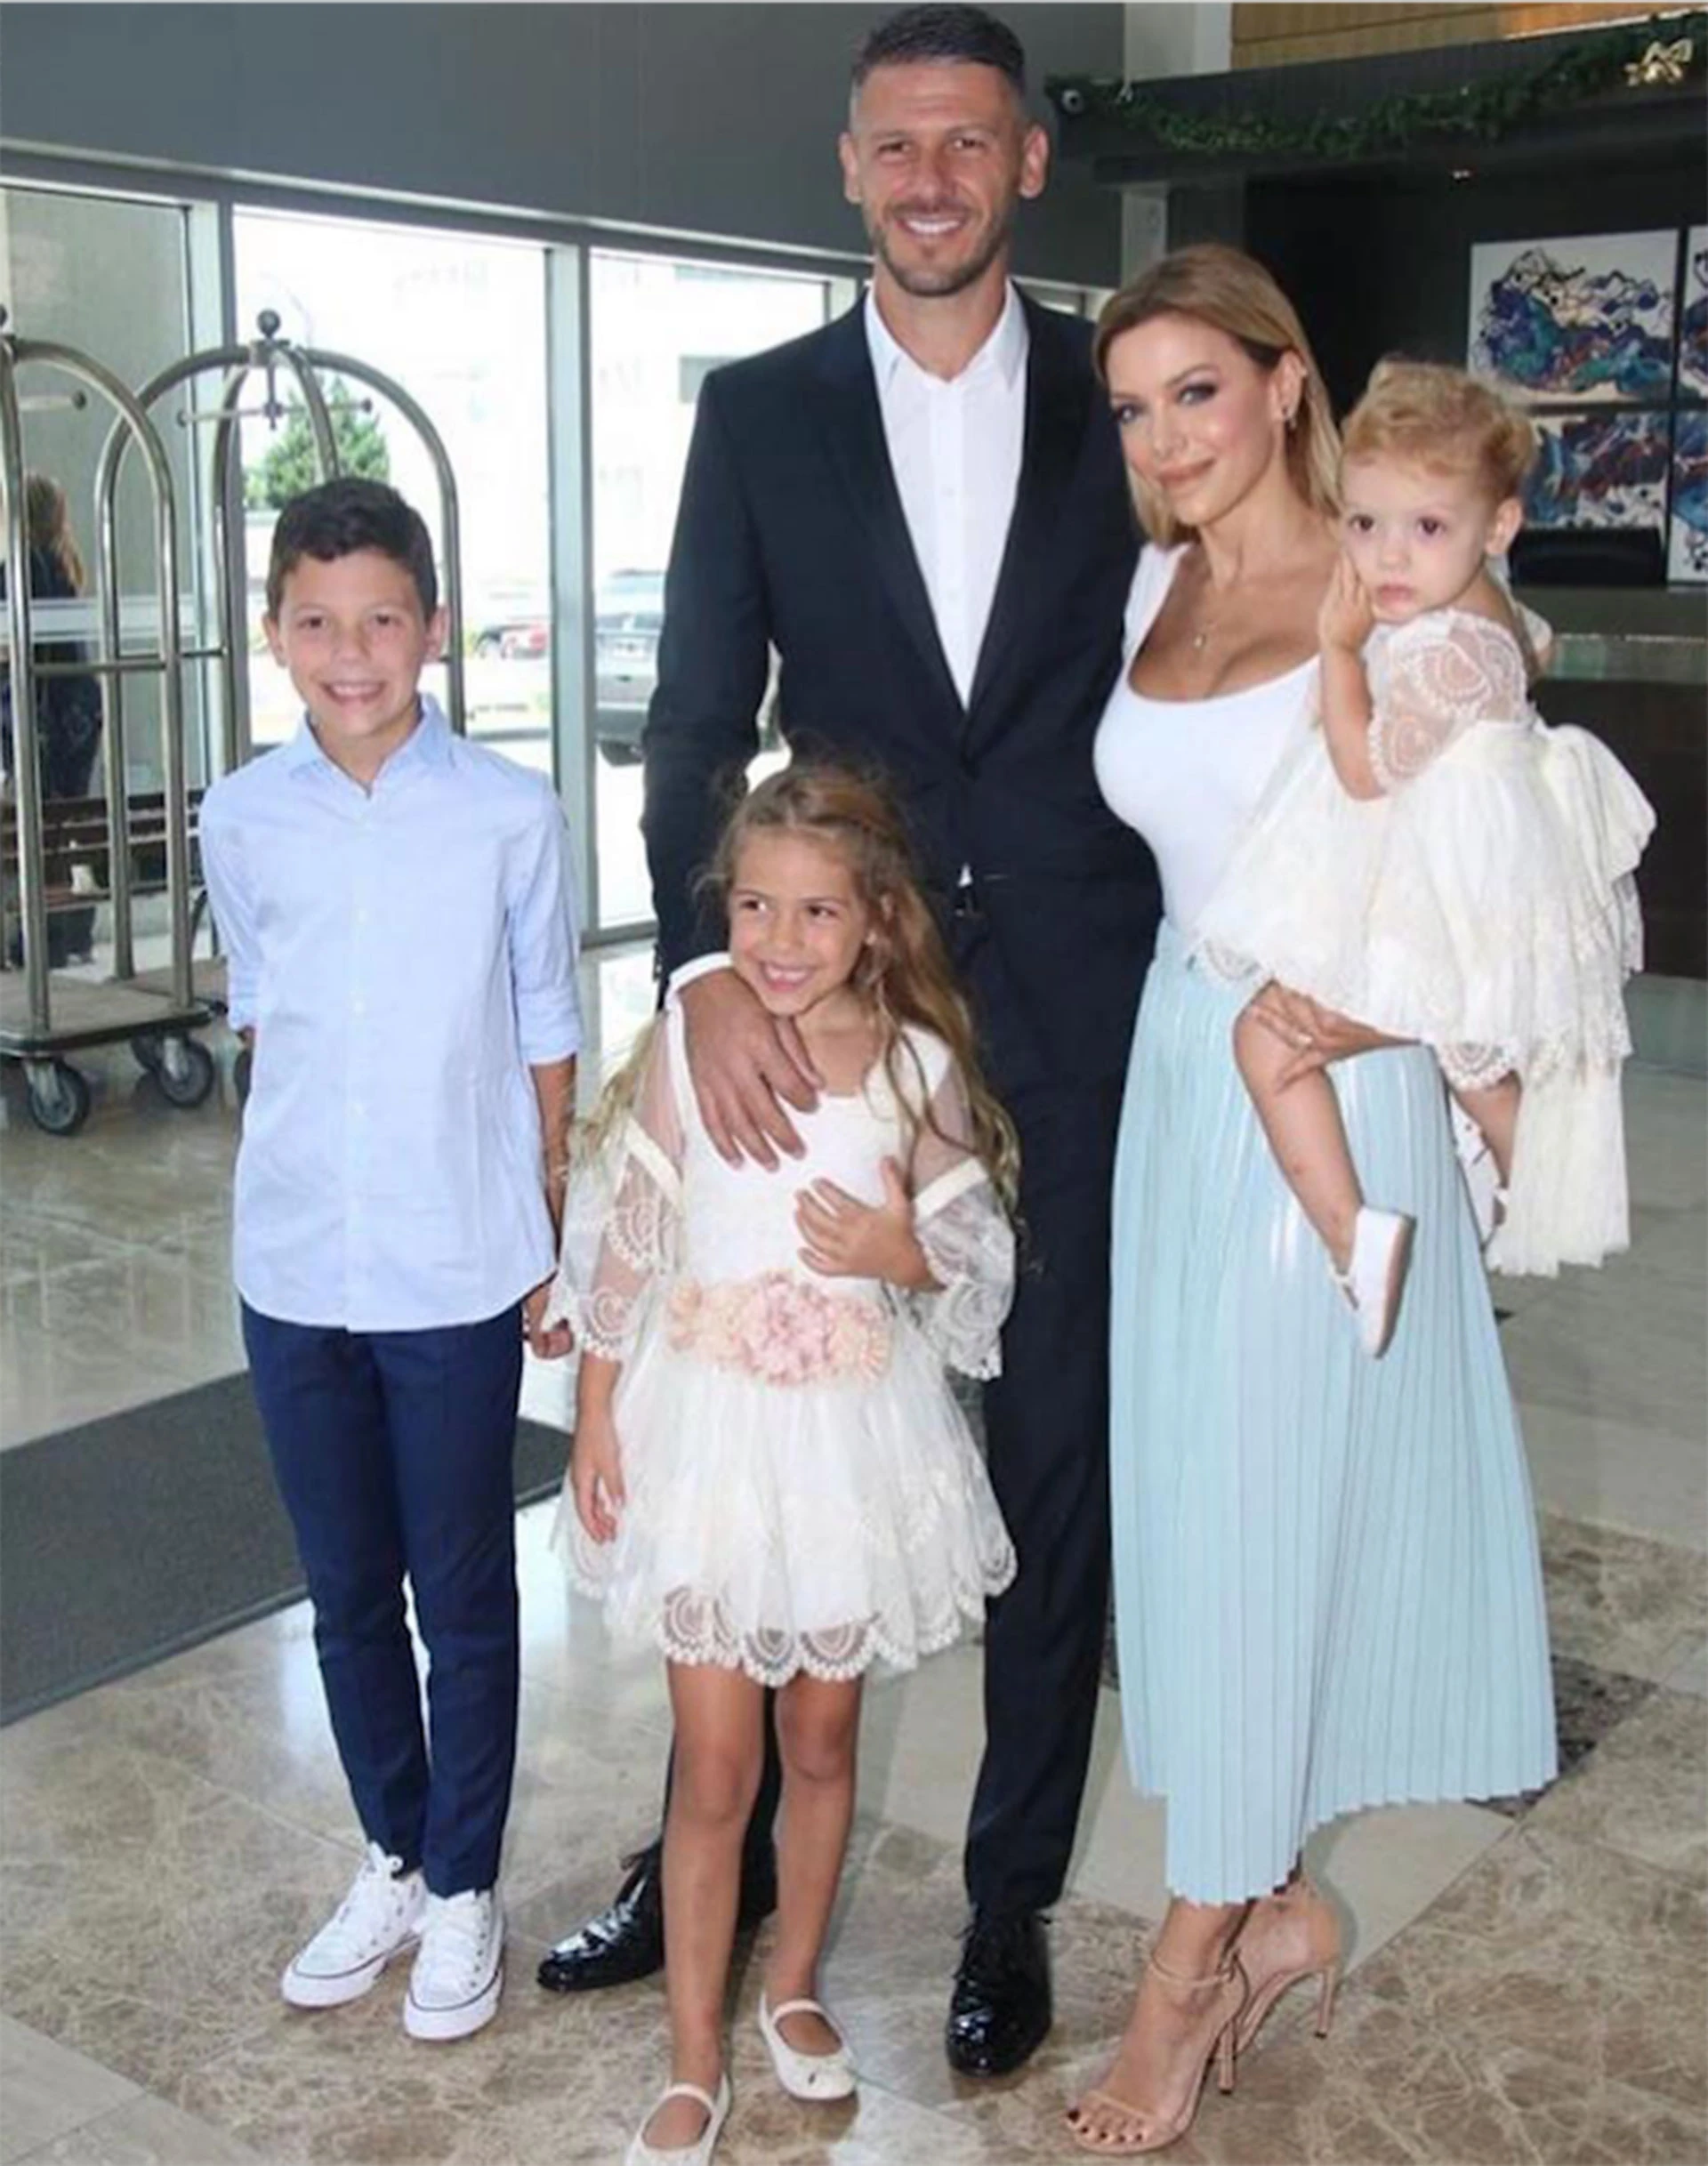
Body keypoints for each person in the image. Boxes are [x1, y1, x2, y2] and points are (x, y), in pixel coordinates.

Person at [536, 2, 1159, 2081]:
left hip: (1070, 1012)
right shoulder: (761, 411)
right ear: (848, 165)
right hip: (816, 1018)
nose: (929, 179)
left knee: (1048, 1461)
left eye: (967, 141)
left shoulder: (1119, 395)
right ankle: (687, 1857)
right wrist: (702, 976)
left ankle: (1006, 1898)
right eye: (896, 143)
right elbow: (694, 718)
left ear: (1029, 160)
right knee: (752, 1452)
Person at [1075, 247, 1558, 2156]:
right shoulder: (1152, 584)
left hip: (1329, 1079)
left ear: (1288, 383)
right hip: (1177, 1065)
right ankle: (1279, 1902)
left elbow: (1501, 862)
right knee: (1202, 1513)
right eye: (1133, 406)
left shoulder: (1400, 595)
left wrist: (1404, 1029)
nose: (1164, 436)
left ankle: (1187, 1967)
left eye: (1196, 389)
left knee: (1268, 1503)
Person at [550, 765, 1018, 2163]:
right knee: (713, 1764)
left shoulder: (914, 1063)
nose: (781, 937)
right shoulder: (695, 1046)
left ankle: (795, 1981)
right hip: (707, 1440)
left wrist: (899, 1251)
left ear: (877, 920)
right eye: (755, 905)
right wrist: (595, 1409)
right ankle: (694, 2050)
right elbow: (630, 1232)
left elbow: (976, 1254)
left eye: (817, 910)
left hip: (845, 1452)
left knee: (820, 1742)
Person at [199, 478, 582, 2044]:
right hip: (294, 1257)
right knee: (346, 1591)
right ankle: (397, 1857)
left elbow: (546, 1024)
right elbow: (262, 1016)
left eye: (379, 620)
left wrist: (550, 1229)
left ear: (433, 628)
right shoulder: (241, 816)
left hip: (454, 1261)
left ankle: (468, 1881)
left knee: (462, 1589)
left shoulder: (509, 813)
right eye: (316, 621)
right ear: (275, 634)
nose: (349, 653)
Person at [1194, 358, 1654, 1331]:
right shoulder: (1475, 614)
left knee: (1268, 1040)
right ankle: (1515, 1189)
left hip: (1437, 893)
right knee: (1471, 1067)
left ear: (1499, 527)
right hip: (1452, 882)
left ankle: (1357, 1236)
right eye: (1365, 524)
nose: (1388, 557)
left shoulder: (1452, 645)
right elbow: (1530, 643)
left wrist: (1338, 648)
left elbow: (1366, 770)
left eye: (1428, 528)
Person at [1, 474, 105, 965]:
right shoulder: (64, 565)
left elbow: (16, 648)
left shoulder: (20, 567)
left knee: (36, 829)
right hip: (77, 714)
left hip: (38, 716)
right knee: (66, 825)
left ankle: (44, 937)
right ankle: (70, 932)